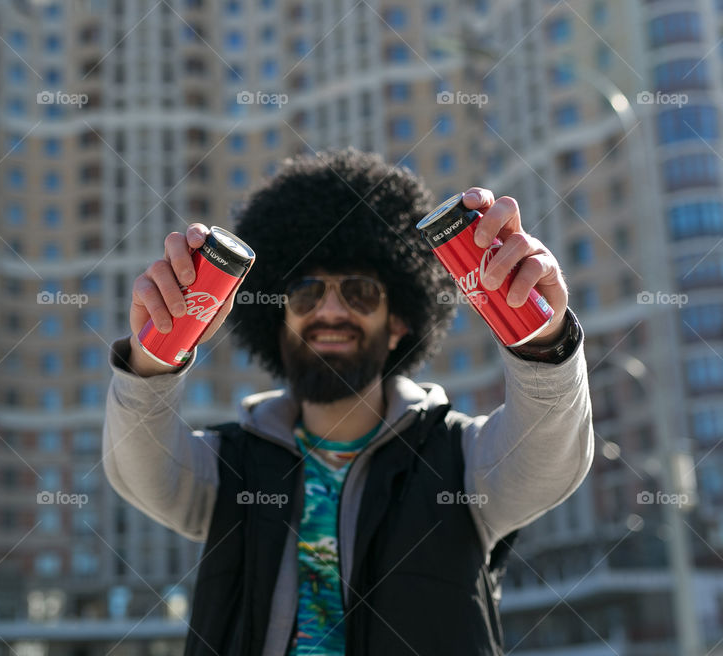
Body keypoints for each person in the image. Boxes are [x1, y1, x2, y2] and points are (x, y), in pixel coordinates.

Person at [103, 149, 593, 655]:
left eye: (359, 292)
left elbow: (549, 462)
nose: (331, 311)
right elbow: (141, 471)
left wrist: (543, 337)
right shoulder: (232, 467)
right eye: (306, 293)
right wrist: (153, 356)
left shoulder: (460, 460)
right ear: (278, 320)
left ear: (400, 321)